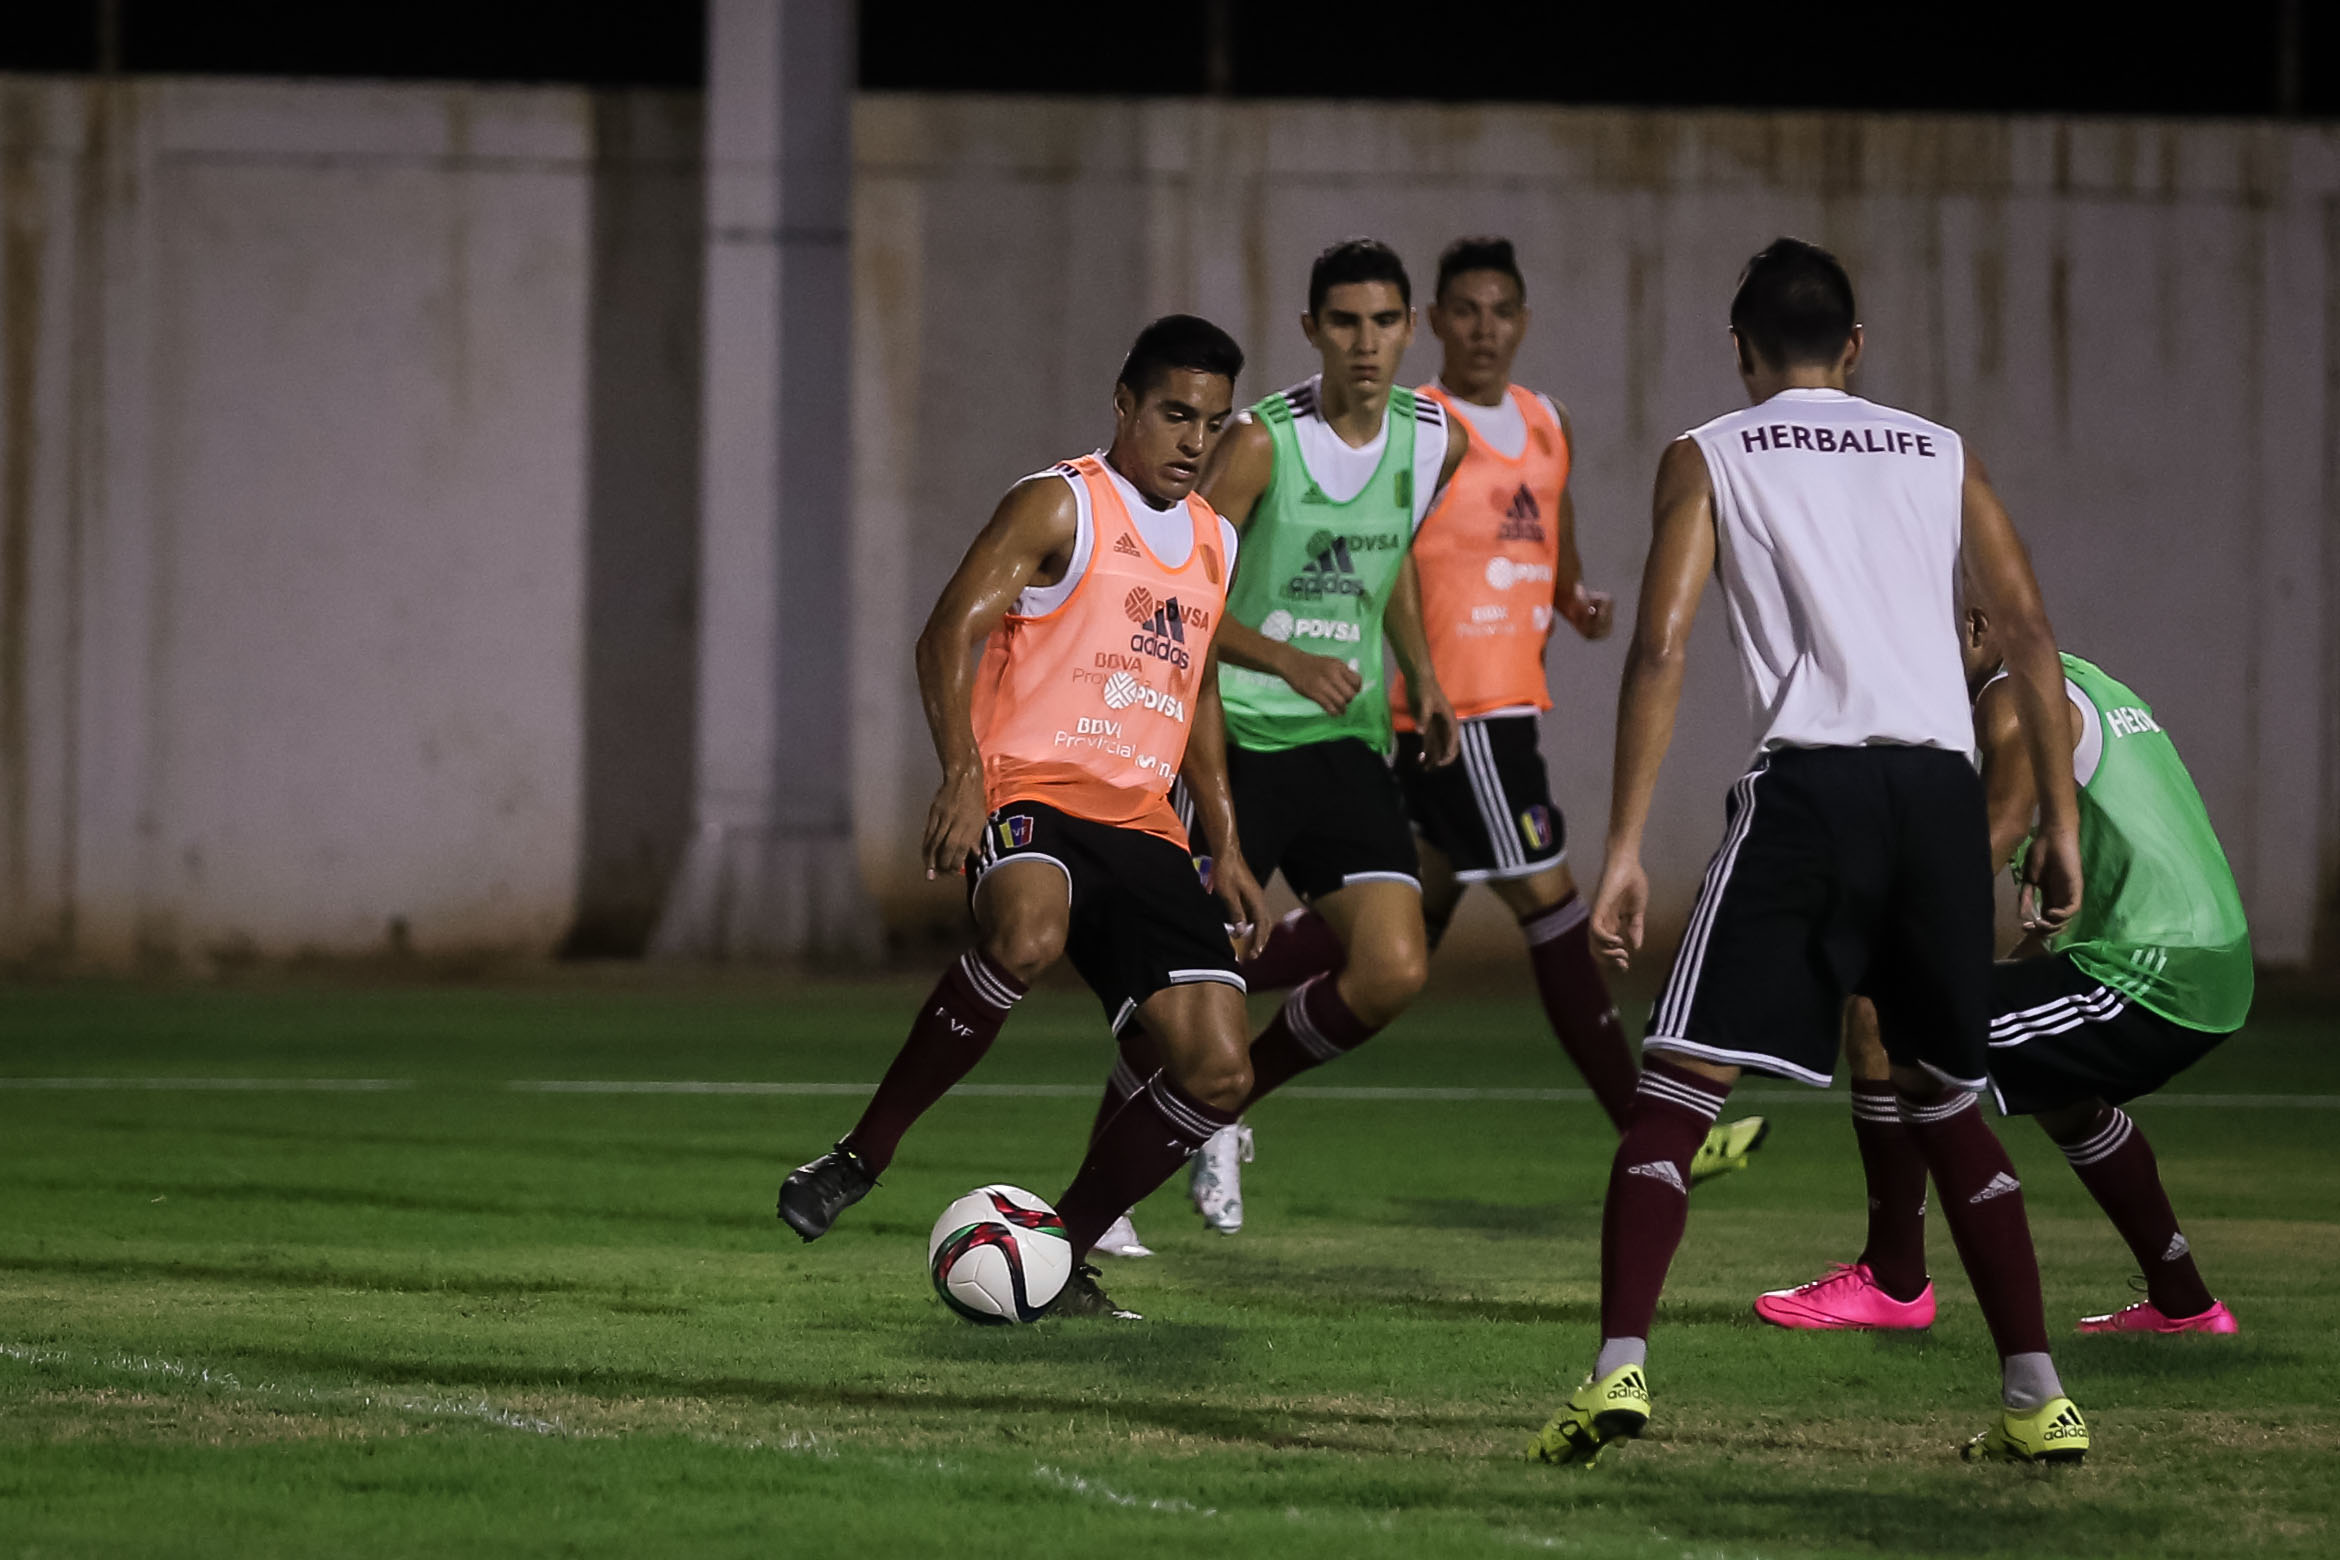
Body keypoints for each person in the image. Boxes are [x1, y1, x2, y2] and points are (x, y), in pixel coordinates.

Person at [1531, 238, 2092, 1467]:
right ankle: (2037, 1397)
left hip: (1815, 790)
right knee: (1946, 1097)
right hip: (1942, 799)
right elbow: (2035, 632)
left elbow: (1664, 646)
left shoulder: (1713, 452)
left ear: (1740, 352)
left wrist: (1624, 843)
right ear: (1855, 346)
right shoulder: (1939, 450)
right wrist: (2055, 819)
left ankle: (1618, 1374)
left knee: (1676, 1088)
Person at [1231, 235, 1769, 1184]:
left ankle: (1209, 1017)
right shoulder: (1414, 423)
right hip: (1454, 717)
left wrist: (1572, 599)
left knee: (1390, 940)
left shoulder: (1545, 421)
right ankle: (1655, 1134)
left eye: (1501, 310)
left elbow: (1551, 541)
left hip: (1511, 704)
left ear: (1524, 321)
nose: (1484, 329)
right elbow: (1380, 551)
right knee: (1550, 904)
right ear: (1432, 324)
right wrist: (1419, 676)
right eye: (1463, 311)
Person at [774, 315, 1272, 1319]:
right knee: (1031, 934)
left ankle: (1057, 1259)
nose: (1191, 440)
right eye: (1175, 413)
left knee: (1221, 1073)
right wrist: (962, 772)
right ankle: (862, 1155)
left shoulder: (1215, 541)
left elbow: (1199, 693)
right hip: (1030, 789)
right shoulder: (1060, 505)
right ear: (1123, 403)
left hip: (1142, 820)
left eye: (1211, 423)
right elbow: (944, 633)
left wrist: (1228, 840)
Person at [1754, 617, 2251, 1336]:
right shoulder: (2079, 677)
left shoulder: (2009, 694)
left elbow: (2003, 824)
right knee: (2055, 1089)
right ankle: (2185, 1303)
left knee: (1879, 1016)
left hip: (2157, 970)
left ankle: (1894, 1281)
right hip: (2195, 961)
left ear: (1977, 625)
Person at [1137, 237, 1464, 1236]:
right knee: (1182, 985)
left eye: (1385, 321)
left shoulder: (1430, 436)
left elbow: (1396, 558)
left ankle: (1225, 1112)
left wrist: (1425, 675)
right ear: (1312, 329)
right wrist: (1283, 660)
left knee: (1395, 968)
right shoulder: (1261, 443)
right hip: (1237, 735)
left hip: (1344, 737)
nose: (1367, 343)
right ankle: (1106, 1202)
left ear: (1412, 329)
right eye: (1346, 322)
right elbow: (1180, 595)